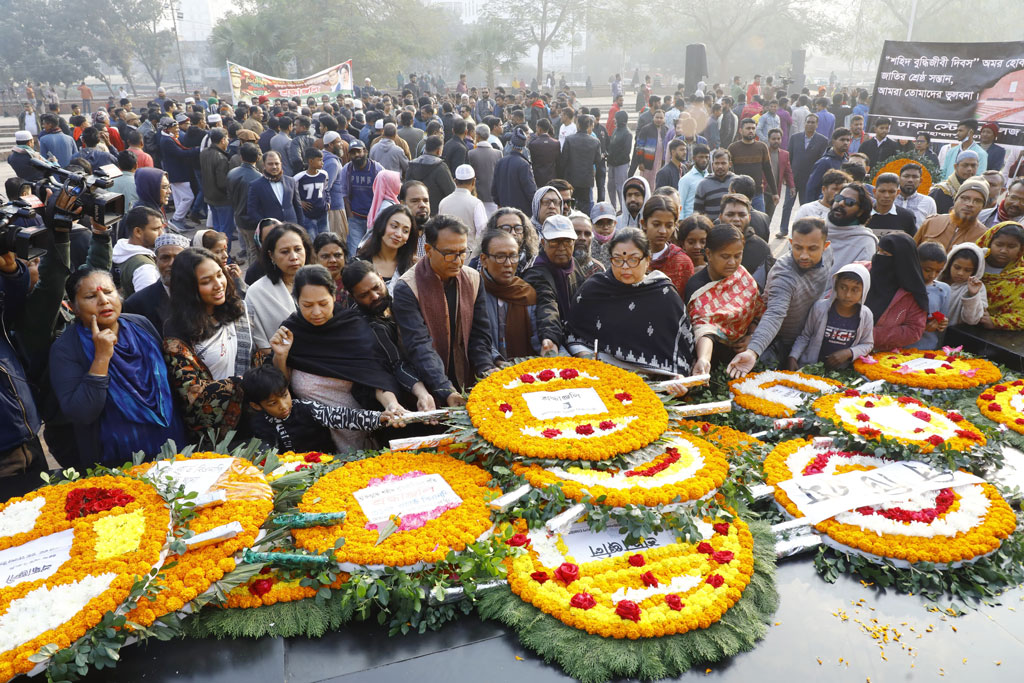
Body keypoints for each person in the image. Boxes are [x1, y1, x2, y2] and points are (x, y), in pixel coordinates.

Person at [50, 268, 183, 466]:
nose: (103, 300)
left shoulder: (141, 325)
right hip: (117, 466)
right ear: (74, 307)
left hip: (174, 452)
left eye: (109, 292)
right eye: (91, 296)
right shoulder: (67, 349)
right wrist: (101, 358)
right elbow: (81, 412)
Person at [268, 265, 407, 452]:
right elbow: (279, 388)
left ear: (334, 296)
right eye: (307, 305)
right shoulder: (291, 332)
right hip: (313, 438)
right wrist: (281, 356)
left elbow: (375, 375)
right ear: (297, 301)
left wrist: (391, 404)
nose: (316, 312)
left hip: (361, 431)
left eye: (323, 303)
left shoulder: (353, 326)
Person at [392, 215, 496, 405]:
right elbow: (419, 345)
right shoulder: (407, 287)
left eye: (463, 252)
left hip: (466, 375)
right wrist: (446, 390)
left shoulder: (473, 278)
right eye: (449, 253)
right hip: (425, 385)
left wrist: (485, 368)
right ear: (429, 250)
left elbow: (480, 333)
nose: (458, 260)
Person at [567, 228, 695, 375]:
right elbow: (573, 334)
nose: (625, 267)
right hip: (600, 376)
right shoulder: (594, 290)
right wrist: (587, 359)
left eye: (633, 259)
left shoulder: (664, 294)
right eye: (618, 260)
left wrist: (675, 379)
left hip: (653, 383)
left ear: (647, 260)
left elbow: (682, 351)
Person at [163, 248, 256, 441]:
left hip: (255, 413)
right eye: (206, 281)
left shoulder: (239, 310)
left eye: (219, 275)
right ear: (188, 288)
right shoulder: (178, 328)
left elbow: (257, 358)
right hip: (215, 431)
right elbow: (190, 391)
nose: (218, 285)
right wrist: (242, 383)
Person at [728, 217, 835, 375]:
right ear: (791, 243)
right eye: (798, 248)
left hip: (807, 335)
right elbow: (775, 314)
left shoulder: (828, 255)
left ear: (825, 246)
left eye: (812, 249)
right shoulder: (784, 275)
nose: (804, 255)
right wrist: (753, 351)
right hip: (777, 340)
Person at [243, 364, 389, 453]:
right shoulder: (257, 424)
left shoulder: (307, 409)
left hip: (326, 465)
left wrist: (378, 418)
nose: (283, 405)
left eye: (285, 395)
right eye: (272, 403)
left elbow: (341, 416)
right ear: (256, 406)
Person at [685, 225, 764, 374]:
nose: (733, 263)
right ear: (708, 254)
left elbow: (757, 311)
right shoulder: (698, 288)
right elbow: (704, 328)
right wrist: (704, 359)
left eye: (737, 256)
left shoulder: (741, 275)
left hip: (746, 355)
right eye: (725, 256)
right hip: (712, 361)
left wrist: (751, 338)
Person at [787, 264, 873, 369]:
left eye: (855, 290)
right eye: (843, 287)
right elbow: (805, 336)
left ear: (864, 291)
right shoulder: (820, 307)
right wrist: (793, 357)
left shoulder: (866, 315)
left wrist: (848, 352)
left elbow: (867, 344)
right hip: (811, 368)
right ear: (835, 286)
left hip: (842, 373)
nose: (848, 295)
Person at [524, 215, 585, 355]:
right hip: (544, 338)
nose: (562, 248)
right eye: (554, 242)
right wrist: (550, 337)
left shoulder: (573, 264)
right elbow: (546, 304)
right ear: (543, 242)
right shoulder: (536, 272)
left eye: (567, 242)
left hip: (574, 335)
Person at [247, 224, 313, 350]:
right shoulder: (258, 292)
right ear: (271, 255)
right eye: (285, 252)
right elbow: (261, 344)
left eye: (298, 249)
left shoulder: (318, 282)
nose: (294, 257)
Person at [477, 229, 538, 361]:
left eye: (513, 256)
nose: (508, 263)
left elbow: (537, 338)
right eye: (500, 257)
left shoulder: (526, 293)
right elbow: (475, 338)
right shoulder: (474, 291)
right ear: (484, 259)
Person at [866, 233, 929, 351]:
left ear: (900, 259)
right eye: (878, 252)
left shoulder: (912, 291)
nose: (879, 257)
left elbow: (914, 331)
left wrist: (869, 334)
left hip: (882, 356)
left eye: (885, 254)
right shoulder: (861, 272)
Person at [123, 232, 190, 333]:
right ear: (155, 261)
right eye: (165, 258)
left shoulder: (202, 292)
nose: (171, 263)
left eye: (178, 257)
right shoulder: (137, 304)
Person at [356, 203, 418, 293]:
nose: (398, 234)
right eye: (394, 226)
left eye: (405, 231)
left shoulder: (413, 269)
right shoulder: (358, 264)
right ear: (382, 225)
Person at [638, 195, 692, 297]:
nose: (663, 231)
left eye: (669, 226)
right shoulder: (631, 257)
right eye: (656, 224)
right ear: (644, 224)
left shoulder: (682, 262)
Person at [914, 176, 989, 250]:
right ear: (955, 200)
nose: (970, 204)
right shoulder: (931, 222)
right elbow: (910, 254)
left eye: (977, 201)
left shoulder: (984, 236)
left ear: (983, 207)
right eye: (965, 198)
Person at [977, 222, 1024, 330]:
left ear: (1020, 249)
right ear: (988, 242)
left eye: (1011, 246)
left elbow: (1021, 316)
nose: (1003, 251)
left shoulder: (1020, 278)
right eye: (999, 245)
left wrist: (995, 322)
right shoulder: (971, 264)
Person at [826, 182, 877, 276]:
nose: (841, 203)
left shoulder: (865, 242)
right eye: (839, 198)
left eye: (849, 202)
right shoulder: (816, 229)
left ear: (860, 212)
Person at [727, 118, 777, 212]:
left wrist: (774, 192)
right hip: (738, 194)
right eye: (748, 128)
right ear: (741, 130)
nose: (751, 131)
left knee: (759, 222)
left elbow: (768, 171)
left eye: (753, 128)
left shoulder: (762, 147)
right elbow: (728, 172)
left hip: (757, 195)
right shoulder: (733, 148)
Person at [113, 206, 164, 298]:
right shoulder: (145, 268)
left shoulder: (119, 250)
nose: (161, 234)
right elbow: (148, 304)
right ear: (138, 232)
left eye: (161, 228)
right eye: (155, 229)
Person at [227, 143, 263, 265]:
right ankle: (253, 276)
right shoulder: (258, 178)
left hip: (238, 217)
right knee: (254, 250)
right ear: (258, 158)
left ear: (241, 157)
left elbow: (229, 196)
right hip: (251, 221)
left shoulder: (232, 173)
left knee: (249, 248)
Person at [559, 114, 602, 214]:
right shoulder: (595, 141)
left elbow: (563, 160)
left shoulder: (569, 139)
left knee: (569, 205)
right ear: (588, 126)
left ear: (578, 124)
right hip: (586, 179)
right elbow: (597, 161)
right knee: (585, 206)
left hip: (571, 178)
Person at [246, 151, 304, 226]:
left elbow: (298, 206)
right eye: (270, 164)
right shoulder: (256, 185)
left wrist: (301, 227)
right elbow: (252, 211)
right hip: (272, 231)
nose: (274, 167)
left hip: (292, 227)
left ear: (281, 164)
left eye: (277, 163)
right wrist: (267, 225)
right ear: (264, 165)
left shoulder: (291, 181)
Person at [938, 243, 988, 328]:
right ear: (949, 263)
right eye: (957, 267)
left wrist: (972, 295)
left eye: (967, 270)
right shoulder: (936, 278)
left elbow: (972, 320)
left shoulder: (977, 287)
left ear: (975, 271)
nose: (960, 273)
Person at [439, 165, 488, 247]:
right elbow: (483, 231)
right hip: (469, 254)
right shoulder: (476, 203)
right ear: (474, 182)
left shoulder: (443, 202)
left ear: (455, 181)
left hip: (447, 253)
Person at [492, 129, 537, 215]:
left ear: (511, 144)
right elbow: (531, 191)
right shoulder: (524, 165)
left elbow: (494, 189)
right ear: (524, 146)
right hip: (521, 213)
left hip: (504, 211)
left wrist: (499, 203)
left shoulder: (500, 162)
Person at [916, 241, 950, 350]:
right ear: (916, 262)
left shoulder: (943, 290)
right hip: (900, 348)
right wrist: (921, 327)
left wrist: (942, 323)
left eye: (938, 271)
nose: (932, 275)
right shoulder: (904, 287)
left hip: (928, 347)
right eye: (927, 270)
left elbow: (942, 321)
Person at [805, 127, 851, 202]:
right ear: (833, 141)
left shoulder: (847, 162)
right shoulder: (824, 162)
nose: (845, 142)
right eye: (842, 140)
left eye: (848, 140)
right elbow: (811, 188)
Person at [865, 172, 917, 237]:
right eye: (882, 191)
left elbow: (913, 243)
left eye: (891, 192)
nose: (886, 195)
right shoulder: (863, 215)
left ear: (897, 193)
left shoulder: (907, 217)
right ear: (874, 192)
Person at [930, 150, 981, 215]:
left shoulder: (979, 190)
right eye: (965, 165)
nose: (969, 169)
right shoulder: (941, 191)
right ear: (956, 167)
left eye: (973, 165)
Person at [693, 149, 735, 222]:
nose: (720, 166)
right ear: (712, 165)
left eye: (723, 163)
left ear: (730, 164)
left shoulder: (736, 182)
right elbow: (698, 212)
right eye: (717, 163)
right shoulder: (703, 185)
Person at [631, 109, 668, 189]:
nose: (659, 120)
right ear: (653, 118)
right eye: (657, 117)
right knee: (645, 185)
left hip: (660, 162)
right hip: (647, 162)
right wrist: (640, 162)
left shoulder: (665, 130)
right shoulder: (645, 129)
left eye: (661, 118)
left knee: (657, 183)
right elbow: (639, 146)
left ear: (664, 119)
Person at [893, 162, 937, 228]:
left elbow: (932, 229)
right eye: (906, 176)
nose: (910, 180)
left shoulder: (928, 202)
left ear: (920, 181)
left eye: (915, 177)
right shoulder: (889, 199)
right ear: (899, 179)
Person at [606, 110, 632, 211]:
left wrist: (615, 160)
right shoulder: (616, 130)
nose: (614, 120)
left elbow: (626, 151)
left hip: (621, 164)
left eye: (616, 118)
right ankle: (613, 207)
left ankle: (623, 209)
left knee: (620, 187)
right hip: (612, 164)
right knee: (611, 187)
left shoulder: (627, 133)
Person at [678, 144, 710, 219]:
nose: (704, 160)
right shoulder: (686, 179)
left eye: (706, 157)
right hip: (689, 221)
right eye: (701, 157)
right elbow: (680, 202)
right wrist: (681, 221)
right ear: (694, 158)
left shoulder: (710, 177)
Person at [528, 118, 561, 188]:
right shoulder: (556, 143)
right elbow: (558, 162)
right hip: (552, 177)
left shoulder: (533, 144)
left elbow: (531, 161)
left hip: (538, 178)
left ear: (539, 129)